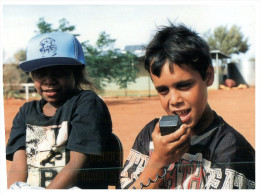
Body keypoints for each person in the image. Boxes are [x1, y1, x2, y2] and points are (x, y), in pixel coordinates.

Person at [120, 22, 255, 189]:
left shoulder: (231, 147)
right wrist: (158, 160)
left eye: (183, 86)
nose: (174, 99)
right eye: (163, 90)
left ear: (208, 76)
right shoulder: (150, 135)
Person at [6, 31, 113, 189]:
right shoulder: (26, 112)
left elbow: (77, 164)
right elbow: (17, 168)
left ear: (76, 73)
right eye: (41, 73)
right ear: (32, 76)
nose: (49, 80)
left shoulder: (86, 104)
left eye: (59, 72)